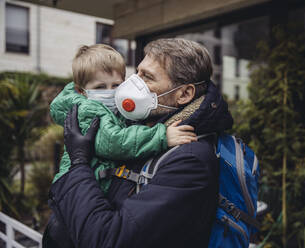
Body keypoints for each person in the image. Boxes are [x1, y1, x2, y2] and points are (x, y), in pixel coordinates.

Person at [47, 38, 233, 248]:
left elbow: (107, 240)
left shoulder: (190, 160)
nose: (131, 83)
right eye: (137, 72)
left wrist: (78, 165)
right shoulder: (138, 124)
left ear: (184, 94)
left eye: (147, 77)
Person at [49, 43, 197, 193]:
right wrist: (161, 136)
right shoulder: (87, 109)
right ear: (81, 91)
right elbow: (113, 142)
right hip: (75, 189)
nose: (110, 92)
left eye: (116, 85)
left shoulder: (113, 110)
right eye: (100, 87)